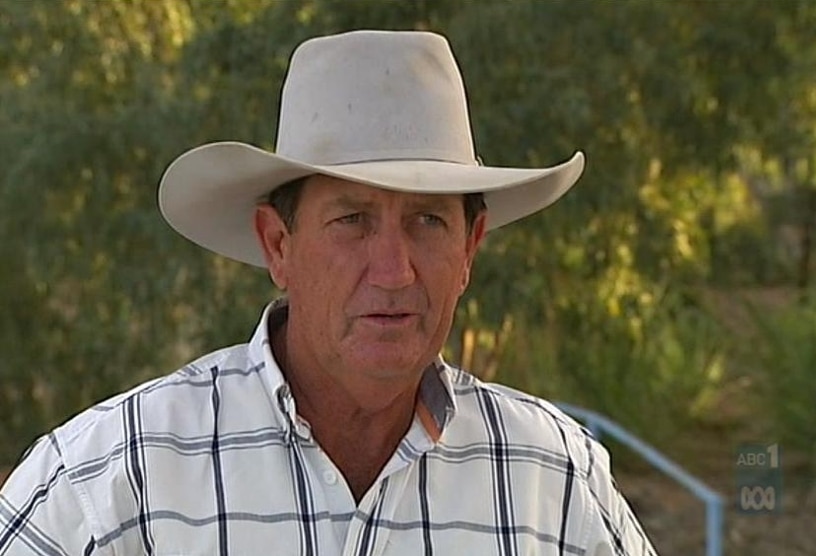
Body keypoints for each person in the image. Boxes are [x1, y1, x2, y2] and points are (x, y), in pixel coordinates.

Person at [0, 30, 657, 555]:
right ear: (278, 246)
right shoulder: (113, 479)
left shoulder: (554, 480)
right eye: (351, 221)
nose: (394, 269)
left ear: (469, 249)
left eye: (428, 221)